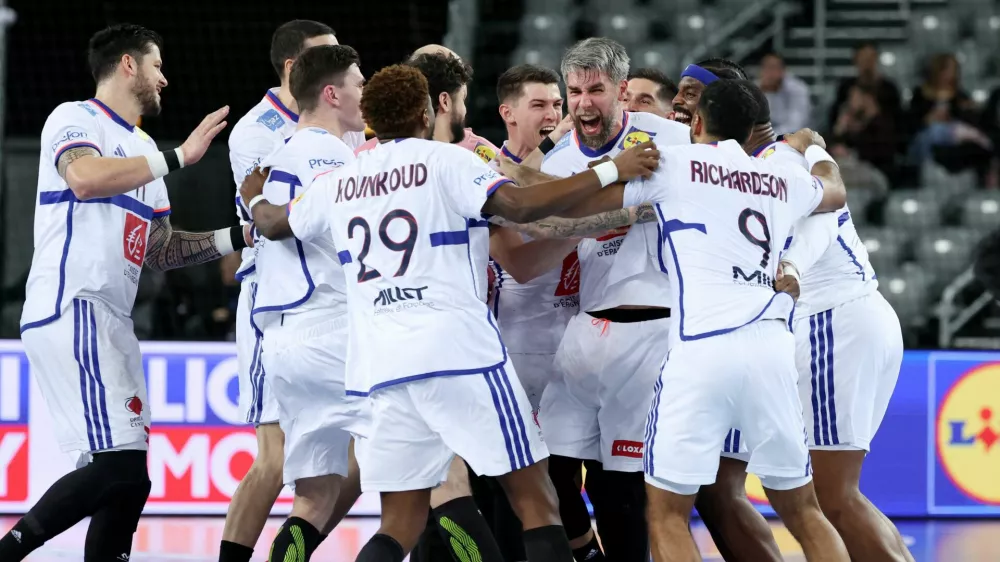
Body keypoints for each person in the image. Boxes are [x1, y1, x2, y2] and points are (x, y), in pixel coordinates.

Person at [243, 63, 659, 562]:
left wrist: (256, 195)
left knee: (399, 521)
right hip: (459, 353)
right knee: (536, 501)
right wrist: (614, 169)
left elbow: (272, 224)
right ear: (426, 110)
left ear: (372, 119)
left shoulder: (339, 181)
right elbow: (523, 207)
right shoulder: (446, 161)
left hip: (381, 365)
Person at [556, 77, 851, 562]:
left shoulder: (677, 163)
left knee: (668, 512)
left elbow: (574, 199)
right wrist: (816, 149)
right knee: (803, 511)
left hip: (702, 348)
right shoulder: (780, 178)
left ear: (695, 122)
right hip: (771, 349)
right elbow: (835, 193)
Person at [2, 23, 234, 561]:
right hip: (74, 305)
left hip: (113, 320)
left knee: (131, 481)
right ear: (128, 65)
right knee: (119, 467)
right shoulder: (74, 118)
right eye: (157, 66)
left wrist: (239, 237)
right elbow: (82, 177)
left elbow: (161, 249)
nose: (164, 79)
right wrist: (178, 157)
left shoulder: (144, 149)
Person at [534, 37, 690, 562]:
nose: (583, 103)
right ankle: (587, 553)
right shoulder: (557, 166)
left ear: (622, 91)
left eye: (596, 90)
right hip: (584, 330)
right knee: (549, 468)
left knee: (618, 488)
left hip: (653, 327)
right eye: (574, 91)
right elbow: (539, 229)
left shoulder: (671, 139)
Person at [745, 85, 916, 562]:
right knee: (828, 495)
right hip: (846, 318)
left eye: (691, 102)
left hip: (832, 323)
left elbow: (824, 211)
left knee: (830, 496)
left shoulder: (776, 163)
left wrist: (794, 267)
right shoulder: (779, 158)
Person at [221, 20, 365, 562]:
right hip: (286, 303)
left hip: (311, 317)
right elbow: (273, 222)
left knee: (324, 482)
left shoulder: (336, 130)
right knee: (275, 460)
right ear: (299, 69)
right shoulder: (262, 132)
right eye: (334, 61)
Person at [828, 42, 902, 143]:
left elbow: (897, 123)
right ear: (856, 60)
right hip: (849, 142)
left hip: (879, 143)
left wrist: (873, 112)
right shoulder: (846, 87)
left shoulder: (889, 89)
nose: (867, 63)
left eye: (871, 58)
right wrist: (848, 111)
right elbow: (835, 121)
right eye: (863, 59)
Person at [758, 52, 812, 134]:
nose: (768, 73)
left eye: (772, 68)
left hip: (801, 138)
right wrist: (760, 94)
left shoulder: (797, 89)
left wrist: (767, 136)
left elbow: (795, 126)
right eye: (765, 68)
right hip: (772, 136)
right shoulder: (760, 87)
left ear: (783, 70)